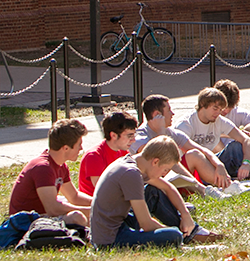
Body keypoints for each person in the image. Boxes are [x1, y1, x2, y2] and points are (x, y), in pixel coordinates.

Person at [90, 136, 220, 248]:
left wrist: (185, 214)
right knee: (173, 236)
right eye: (165, 170)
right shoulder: (131, 174)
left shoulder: (136, 163)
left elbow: (168, 188)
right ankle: (184, 235)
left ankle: (191, 232)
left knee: (152, 191)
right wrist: (171, 232)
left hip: (119, 223)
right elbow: (146, 224)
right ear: (155, 161)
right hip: (110, 238)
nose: (164, 175)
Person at [175, 87, 250, 181]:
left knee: (236, 146)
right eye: (215, 108)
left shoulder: (219, 120)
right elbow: (178, 157)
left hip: (214, 160)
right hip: (194, 165)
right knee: (197, 155)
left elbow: (246, 140)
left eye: (220, 109)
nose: (218, 113)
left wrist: (246, 162)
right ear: (203, 104)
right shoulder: (186, 124)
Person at [133, 94, 233, 198]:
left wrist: (219, 165)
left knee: (194, 154)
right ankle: (203, 191)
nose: (172, 114)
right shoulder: (140, 136)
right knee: (169, 160)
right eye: (169, 110)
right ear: (157, 115)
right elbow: (159, 159)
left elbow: (201, 150)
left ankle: (227, 186)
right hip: (152, 184)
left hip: (175, 180)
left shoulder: (171, 132)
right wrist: (160, 131)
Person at [8, 119, 92, 226]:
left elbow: (74, 196)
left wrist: (98, 203)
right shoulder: (43, 168)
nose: (81, 148)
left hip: (42, 216)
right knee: (77, 217)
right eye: (79, 144)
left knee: (83, 214)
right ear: (65, 148)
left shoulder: (60, 166)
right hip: (25, 223)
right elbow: (53, 209)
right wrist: (92, 211)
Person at [78, 112, 139, 195]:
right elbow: (102, 189)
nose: (133, 140)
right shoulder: (94, 156)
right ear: (113, 135)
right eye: (129, 136)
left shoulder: (123, 152)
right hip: (98, 204)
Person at [214, 79, 250, 157]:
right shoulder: (209, 113)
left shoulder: (238, 112)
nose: (226, 110)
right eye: (223, 107)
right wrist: (237, 134)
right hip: (216, 153)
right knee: (214, 140)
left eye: (230, 107)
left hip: (238, 151)